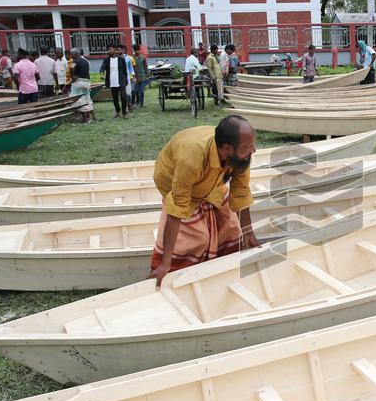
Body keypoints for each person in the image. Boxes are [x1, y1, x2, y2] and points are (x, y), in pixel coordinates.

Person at [149, 115, 261, 288]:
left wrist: (247, 232)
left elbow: (241, 193)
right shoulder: (191, 159)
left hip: (212, 182)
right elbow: (176, 210)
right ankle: (176, 274)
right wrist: (165, 263)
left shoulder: (240, 157)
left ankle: (219, 272)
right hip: (173, 179)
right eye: (248, 147)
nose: (254, 150)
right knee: (196, 238)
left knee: (231, 229)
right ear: (227, 149)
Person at [100, 44, 129, 117]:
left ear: (114, 50)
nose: (109, 51)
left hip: (121, 80)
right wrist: (102, 75)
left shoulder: (121, 59)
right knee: (115, 98)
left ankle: (124, 113)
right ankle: (118, 112)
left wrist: (125, 80)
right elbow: (102, 68)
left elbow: (125, 70)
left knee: (123, 97)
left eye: (110, 49)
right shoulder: (106, 60)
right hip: (112, 81)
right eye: (108, 49)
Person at [71, 47, 94, 122]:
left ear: (76, 54)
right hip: (86, 82)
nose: (71, 56)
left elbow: (72, 68)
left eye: (72, 54)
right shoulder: (86, 61)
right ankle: (90, 117)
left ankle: (85, 118)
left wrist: (72, 76)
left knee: (78, 100)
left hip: (78, 82)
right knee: (87, 99)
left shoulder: (75, 61)